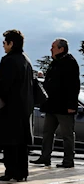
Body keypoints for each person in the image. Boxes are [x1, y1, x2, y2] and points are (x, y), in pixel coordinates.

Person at [30, 38, 81, 168]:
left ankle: (68, 160)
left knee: (67, 134)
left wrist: (71, 106)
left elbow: (74, 86)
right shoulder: (55, 63)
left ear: (61, 49)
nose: (51, 49)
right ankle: (45, 157)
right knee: (47, 132)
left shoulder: (70, 63)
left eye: (53, 47)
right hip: (51, 105)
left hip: (64, 106)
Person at [0, 29, 34, 182]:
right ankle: (22, 172)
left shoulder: (8, 60)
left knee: (9, 143)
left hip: (9, 108)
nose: (3, 46)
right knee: (21, 144)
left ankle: (11, 172)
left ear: (11, 43)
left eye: (4, 43)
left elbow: (3, 85)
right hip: (23, 108)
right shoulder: (26, 60)